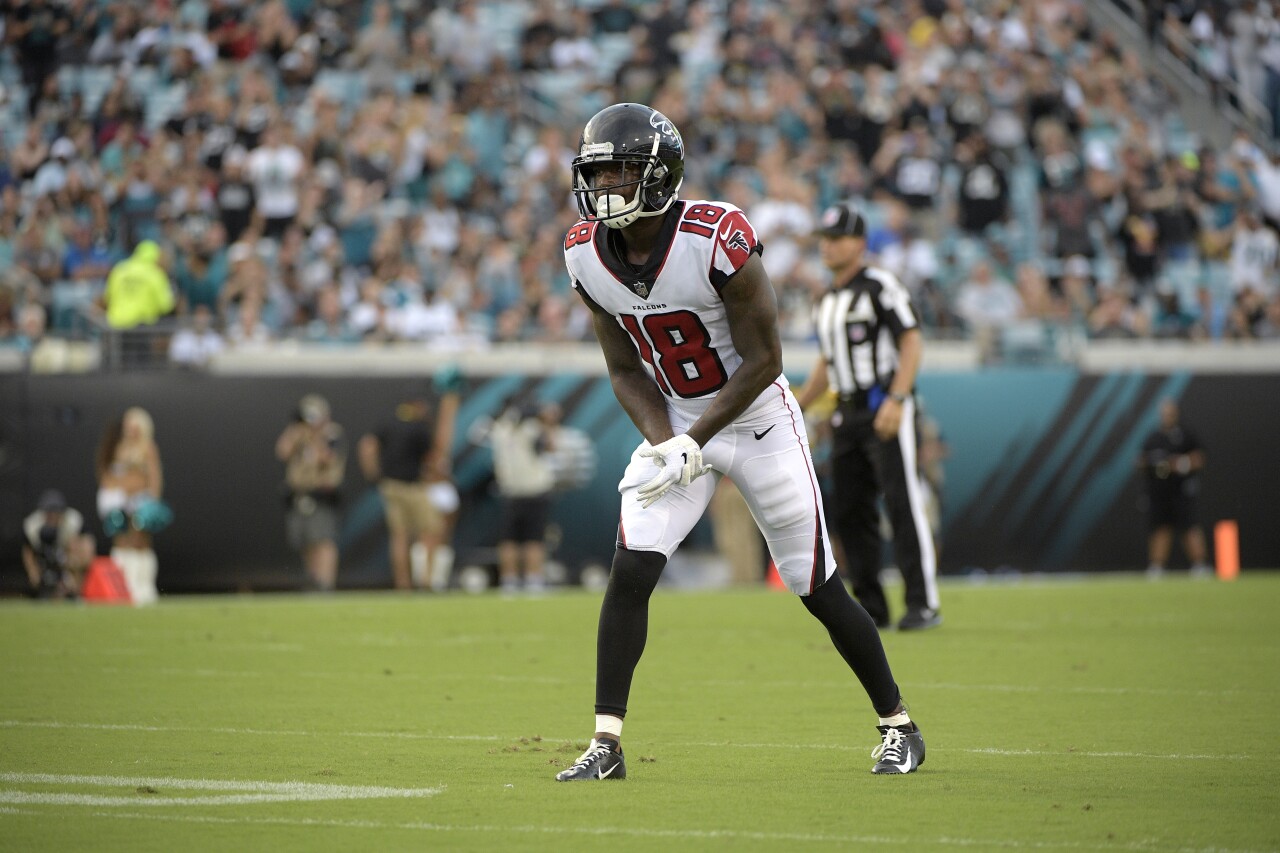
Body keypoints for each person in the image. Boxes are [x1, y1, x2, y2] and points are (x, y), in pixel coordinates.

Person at [554, 103, 924, 782]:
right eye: (597, 172)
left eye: (619, 172)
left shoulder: (715, 235)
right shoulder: (584, 253)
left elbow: (765, 359)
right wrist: (667, 442)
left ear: (659, 176)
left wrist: (696, 438)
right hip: (677, 424)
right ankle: (606, 743)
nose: (603, 186)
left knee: (817, 585)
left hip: (755, 420)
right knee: (632, 566)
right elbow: (622, 367)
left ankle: (898, 723)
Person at [794, 203, 942, 632]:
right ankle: (871, 608)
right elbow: (829, 359)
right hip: (846, 411)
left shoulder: (880, 285)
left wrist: (897, 398)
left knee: (902, 503)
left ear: (859, 243)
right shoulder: (827, 299)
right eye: (824, 239)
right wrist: (800, 403)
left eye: (837, 238)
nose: (828, 247)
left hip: (884, 405)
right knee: (851, 510)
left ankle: (922, 602)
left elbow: (911, 340)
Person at [358, 371, 463, 590]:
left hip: (390, 486)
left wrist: (375, 475)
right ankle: (426, 580)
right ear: (417, 404)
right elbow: (433, 458)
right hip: (413, 487)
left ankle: (403, 584)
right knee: (431, 530)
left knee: (399, 536)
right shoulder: (418, 427)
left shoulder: (388, 420)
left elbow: (367, 446)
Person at [95, 407, 172, 605]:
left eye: (134, 427)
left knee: (140, 541)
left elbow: (154, 476)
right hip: (119, 501)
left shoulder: (147, 448)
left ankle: (143, 587)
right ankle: (122, 586)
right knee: (121, 541)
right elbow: (108, 475)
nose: (130, 431)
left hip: (140, 501)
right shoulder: (119, 447)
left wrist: (152, 500)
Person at [275, 393, 346, 591]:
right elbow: (282, 451)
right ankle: (312, 580)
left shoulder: (331, 433)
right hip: (298, 493)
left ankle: (325, 583)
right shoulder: (298, 433)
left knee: (323, 539)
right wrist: (296, 430)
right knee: (305, 541)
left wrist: (315, 436)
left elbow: (328, 458)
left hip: (321, 492)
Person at [488, 400, 560, 593]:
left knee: (509, 539)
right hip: (534, 490)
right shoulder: (532, 429)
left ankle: (509, 581)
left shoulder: (500, 429)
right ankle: (533, 580)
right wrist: (549, 423)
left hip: (510, 491)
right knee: (533, 539)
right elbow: (551, 446)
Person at [1139, 399, 1211, 578]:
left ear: (1176, 413)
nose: (1167, 416)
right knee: (1160, 528)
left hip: (1180, 491)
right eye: (1164, 413)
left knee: (1189, 527)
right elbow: (1141, 460)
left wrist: (1179, 464)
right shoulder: (1153, 437)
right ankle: (1157, 567)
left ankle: (1199, 564)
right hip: (1159, 492)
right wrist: (1155, 464)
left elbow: (1199, 458)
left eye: (1170, 413)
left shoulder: (1185, 435)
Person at [22, 489, 95, 600]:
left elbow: (82, 547)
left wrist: (73, 563)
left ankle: (74, 592)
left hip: (67, 552)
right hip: (43, 555)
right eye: (49, 513)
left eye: (55, 513)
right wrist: (33, 571)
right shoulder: (33, 526)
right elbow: (28, 550)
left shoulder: (72, 522)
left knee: (77, 563)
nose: (52, 517)